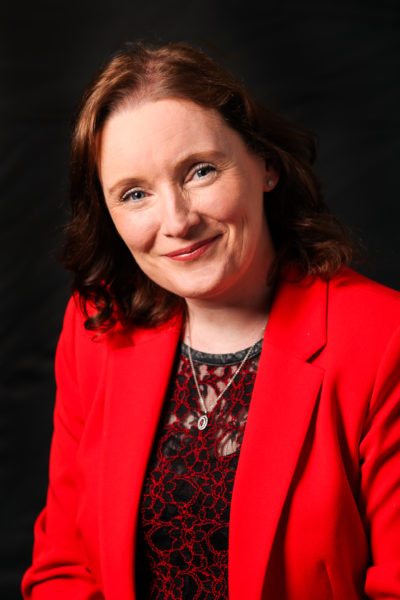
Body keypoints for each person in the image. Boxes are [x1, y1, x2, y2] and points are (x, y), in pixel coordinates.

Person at [22, 42, 400, 600]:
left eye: (200, 171)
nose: (177, 221)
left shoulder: (384, 338)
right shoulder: (95, 325)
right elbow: (65, 568)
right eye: (134, 194)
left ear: (266, 164)